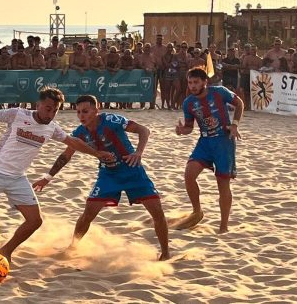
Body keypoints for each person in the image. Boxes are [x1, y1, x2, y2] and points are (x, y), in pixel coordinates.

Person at [0, 88, 115, 263]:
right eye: (48, 108)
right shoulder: (17, 114)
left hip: (17, 178)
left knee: (35, 221)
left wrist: (97, 154)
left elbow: (74, 142)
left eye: (55, 110)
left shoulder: (52, 128)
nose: (51, 113)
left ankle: (6, 250)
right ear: (38, 105)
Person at [32, 95, 170, 260]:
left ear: (96, 111)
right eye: (78, 112)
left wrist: (138, 152)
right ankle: (72, 247)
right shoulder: (80, 132)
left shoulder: (111, 120)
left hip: (133, 171)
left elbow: (144, 130)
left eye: (85, 111)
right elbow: (65, 156)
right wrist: (47, 177)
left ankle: (166, 253)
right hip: (108, 175)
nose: (81, 116)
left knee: (157, 211)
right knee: (89, 212)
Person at [175, 67, 244, 233]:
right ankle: (197, 211)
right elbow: (189, 127)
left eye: (196, 82)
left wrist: (235, 124)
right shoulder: (188, 103)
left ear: (205, 82)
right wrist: (182, 130)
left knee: (223, 184)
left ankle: (223, 226)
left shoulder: (219, 92)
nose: (192, 86)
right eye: (190, 82)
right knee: (189, 174)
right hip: (204, 142)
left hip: (223, 142)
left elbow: (239, 103)